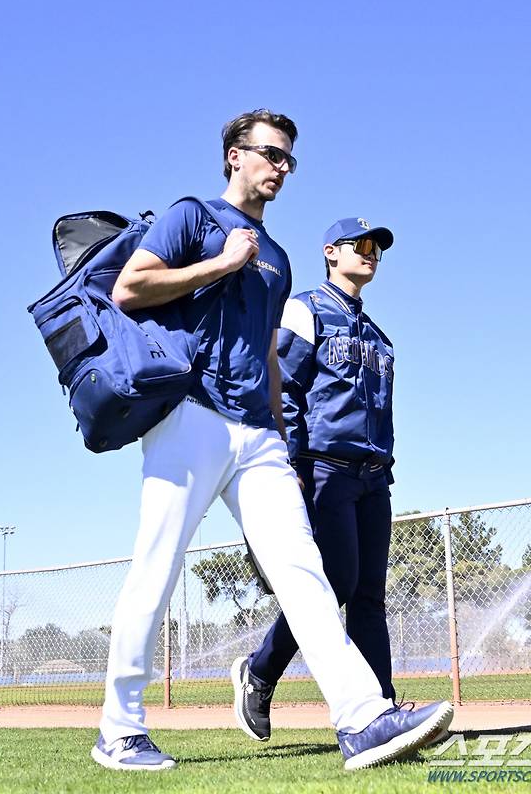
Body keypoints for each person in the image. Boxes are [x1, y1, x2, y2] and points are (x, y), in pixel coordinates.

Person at [90, 109, 453, 772]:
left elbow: (269, 356)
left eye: (289, 159)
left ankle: (363, 717)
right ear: (235, 155)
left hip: (259, 437)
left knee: (306, 576)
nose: (282, 168)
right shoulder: (193, 218)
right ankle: (119, 731)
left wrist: (282, 439)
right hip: (191, 416)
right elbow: (129, 289)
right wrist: (219, 264)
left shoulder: (279, 259)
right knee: (156, 571)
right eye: (271, 154)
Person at [232, 216, 398, 743]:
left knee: (369, 594)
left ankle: (383, 710)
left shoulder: (378, 334)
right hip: (323, 469)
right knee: (335, 585)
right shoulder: (306, 309)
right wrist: (293, 465)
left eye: (378, 248)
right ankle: (259, 672)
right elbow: (285, 390)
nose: (371, 253)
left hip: (374, 474)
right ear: (331, 251)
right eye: (362, 244)